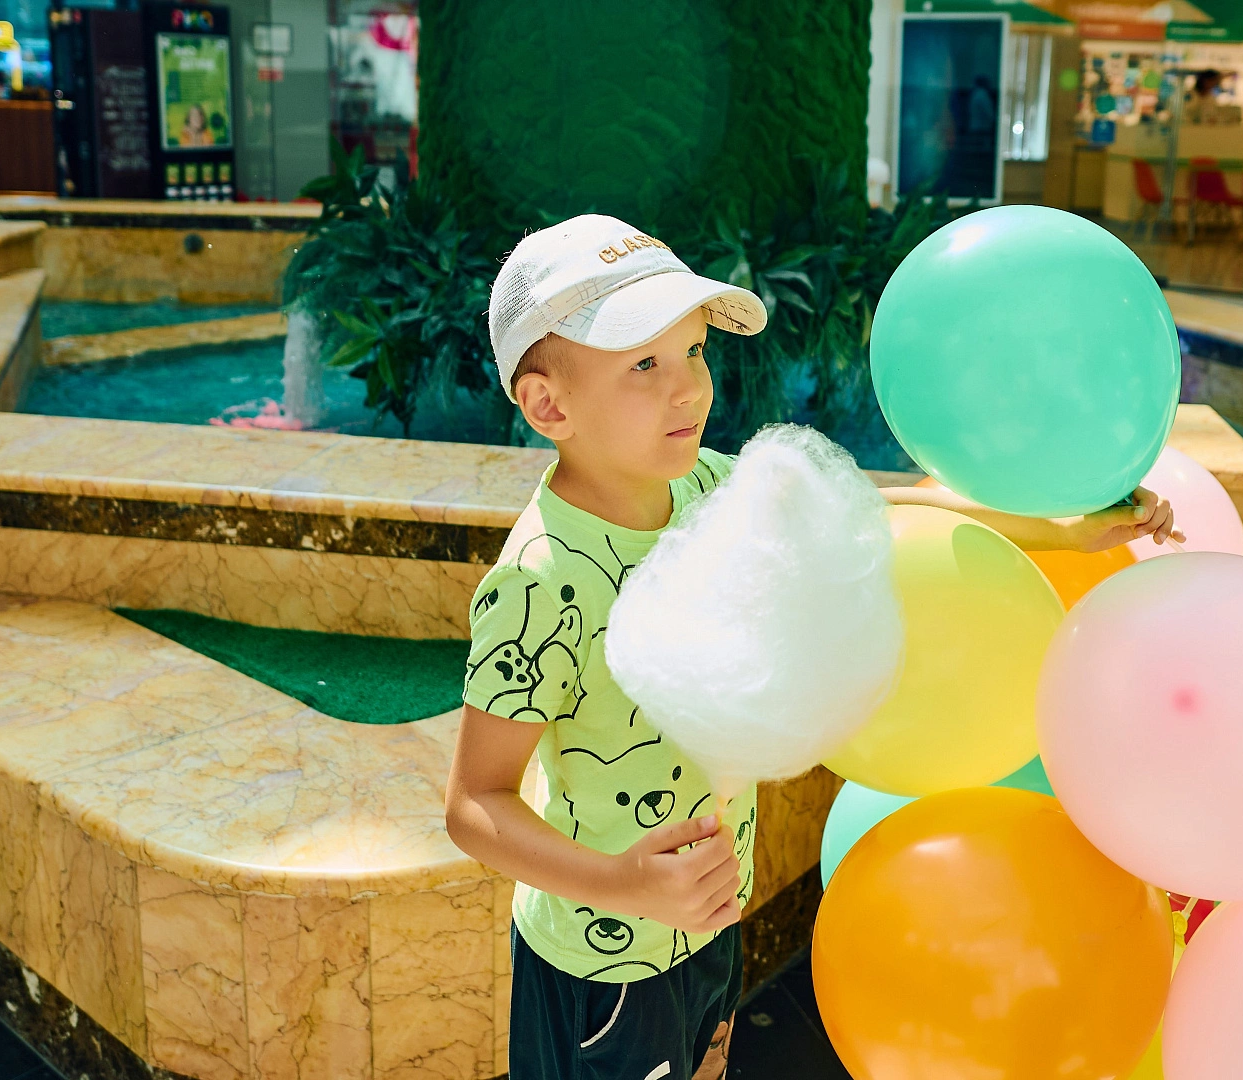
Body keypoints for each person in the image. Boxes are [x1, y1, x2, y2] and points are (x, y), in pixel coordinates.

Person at [443, 213, 1182, 1080]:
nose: (688, 389)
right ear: (548, 405)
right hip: (600, 967)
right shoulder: (539, 582)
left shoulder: (707, 489)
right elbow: (474, 804)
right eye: (643, 364)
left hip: (707, 922)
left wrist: (1056, 528)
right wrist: (625, 885)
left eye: (693, 352)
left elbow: (872, 510)